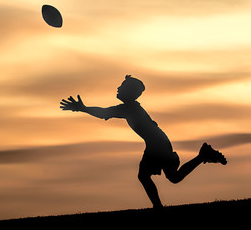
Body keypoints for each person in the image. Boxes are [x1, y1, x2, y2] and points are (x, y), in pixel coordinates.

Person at [60, 75, 227, 209]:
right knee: (169, 177)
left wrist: (83, 108)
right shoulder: (130, 107)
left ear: (130, 92)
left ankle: (159, 205)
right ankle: (202, 155)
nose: (118, 88)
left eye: (122, 87)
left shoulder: (130, 108)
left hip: (157, 143)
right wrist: (84, 108)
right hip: (158, 142)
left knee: (149, 176)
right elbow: (106, 112)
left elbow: (105, 112)